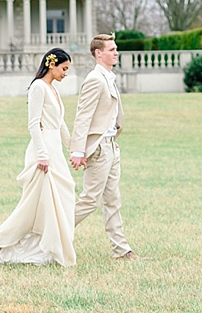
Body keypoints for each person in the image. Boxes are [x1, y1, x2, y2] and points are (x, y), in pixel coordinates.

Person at [0, 48, 76, 266]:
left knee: (61, 197)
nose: (66, 74)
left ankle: (49, 246)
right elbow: (33, 124)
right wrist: (42, 155)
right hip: (43, 152)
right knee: (30, 205)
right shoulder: (38, 87)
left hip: (55, 150)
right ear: (52, 64)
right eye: (64, 68)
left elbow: (60, 124)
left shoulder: (53, 90)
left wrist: (73, 149)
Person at [70, 34, 138, 260]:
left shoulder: (109, 77)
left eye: (115, 48)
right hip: (98, 149)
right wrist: (78, 151)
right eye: (111, 49)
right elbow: (83, 116)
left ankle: (121, 250)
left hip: (111, 146)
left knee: (113, 200)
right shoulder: (94, 79)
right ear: (98, 53)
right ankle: (51, 233)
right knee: (90, 200)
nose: (116, 52)